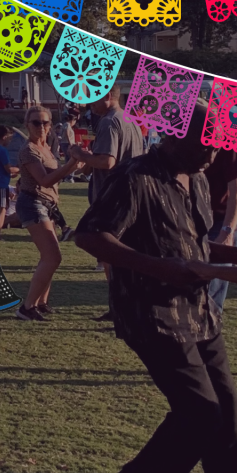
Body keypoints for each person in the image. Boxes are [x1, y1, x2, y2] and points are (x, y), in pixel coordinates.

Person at [74, 101, 237, 473]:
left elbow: (194, 247)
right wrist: (158, 266)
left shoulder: (198, 178)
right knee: (201, 415)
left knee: (229, 418)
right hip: (153, 317)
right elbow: (89, 235)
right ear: (172, 136)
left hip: (200, 315)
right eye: (205, 144)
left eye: (217, 146)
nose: (213, 154)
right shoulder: (135, 177)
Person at [69, 85, 144, 320]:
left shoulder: (109, 122)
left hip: (111, 199)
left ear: (106, 96)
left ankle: (119, 307)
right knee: (124, 255)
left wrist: (78, 154)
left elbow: (107, 161)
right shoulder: (130, 120)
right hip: (130, 196)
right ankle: (124, 306)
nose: (88, 104)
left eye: (91, 98)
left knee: (109, 254)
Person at [15, 106, 83, 321]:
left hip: (47, 205)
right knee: (53, 256)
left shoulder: (46, 149)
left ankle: (41, 303)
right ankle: (26, 308)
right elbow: (45, 180)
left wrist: (78, 165)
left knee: (48, 257)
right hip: (33, 203)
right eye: (36, 122)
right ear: (27, 125)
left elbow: (54, 173)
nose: (41, 127)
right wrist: (71, 164)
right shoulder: (29, 150)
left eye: (45, 123)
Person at [201, 137, 237, 313]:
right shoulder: (183, 142)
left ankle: (209, 327)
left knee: (213, 281)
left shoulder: (227, 145)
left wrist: (227, 231)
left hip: (222, 220)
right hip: (196, 219)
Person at [0, 126, 19, 241]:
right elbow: (8, 168)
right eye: (9, 138)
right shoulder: (2, 150)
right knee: (2, 209)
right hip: (1, 185)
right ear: (4, 136)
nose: (10, 141)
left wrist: (10, 175)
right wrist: (20, 169)